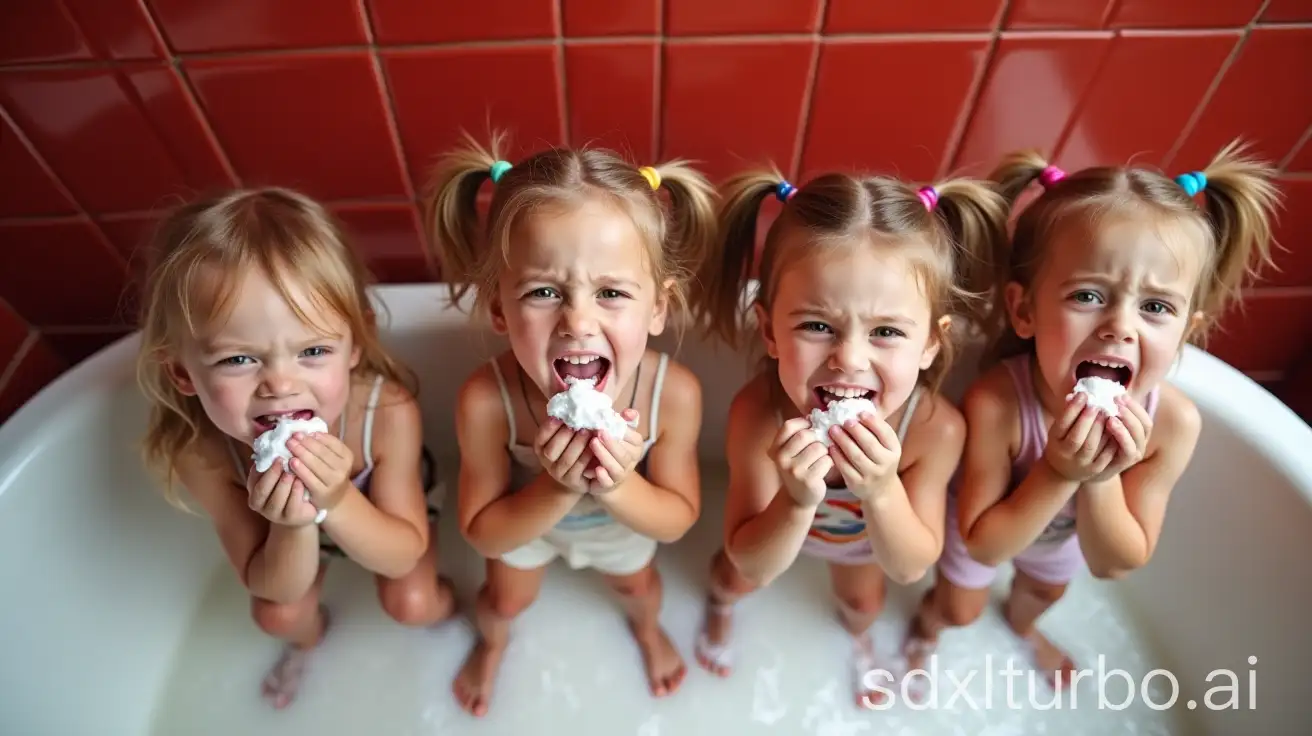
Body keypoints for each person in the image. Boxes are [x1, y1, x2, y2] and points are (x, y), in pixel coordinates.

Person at [137, 188, 454, 709]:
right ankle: (311, 644)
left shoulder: (386, 413)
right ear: (182, 373)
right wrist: (291, 523)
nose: (280, 384)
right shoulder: (204, 452)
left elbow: (402, 555)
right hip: (286, 546)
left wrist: (336, 499)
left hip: (386, 522)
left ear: (355, 345)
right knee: (277, 616)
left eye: (312, 351)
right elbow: (276, 588)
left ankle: (450, 619)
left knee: (413, 602)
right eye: (238, 360)